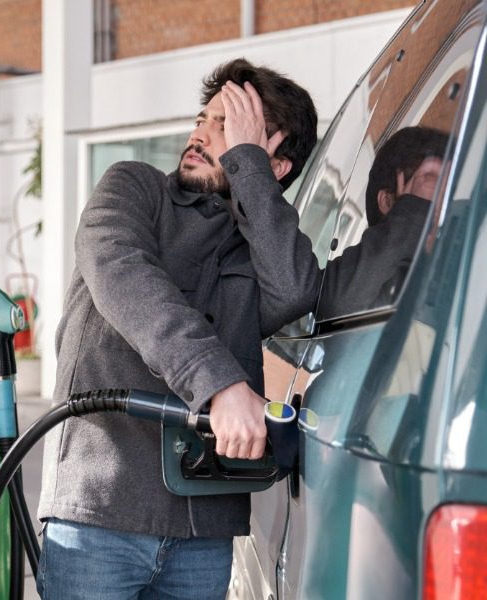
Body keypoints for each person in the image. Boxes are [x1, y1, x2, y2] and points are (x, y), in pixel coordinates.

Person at [36, 58, 320, 600]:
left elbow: (296, 290)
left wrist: (246, 168)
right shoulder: (132, 186)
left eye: (226, 126)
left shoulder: (258, 244)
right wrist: (220, 384)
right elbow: (122, 271)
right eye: (203, 118)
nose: (200, 134)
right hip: (101, 510)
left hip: (204, 529)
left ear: (272, 164)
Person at [317, 126, 448, 319]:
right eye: (431, 184)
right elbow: (339, 309)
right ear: (387, 202)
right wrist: (411, 213)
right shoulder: (377, 287)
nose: (444, 206)